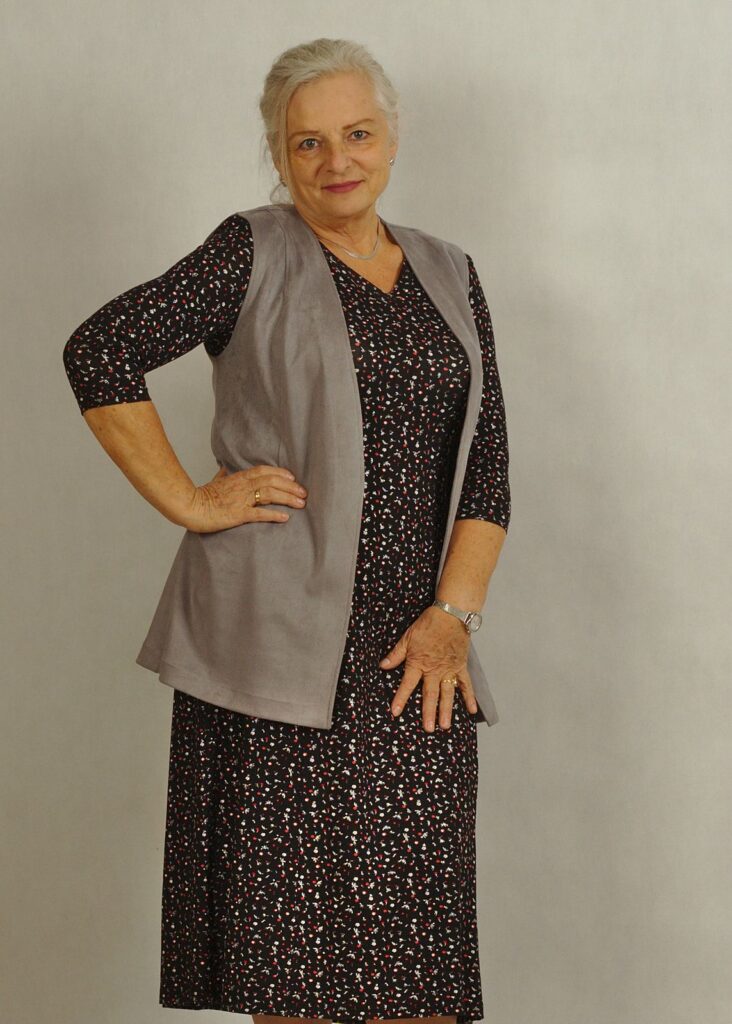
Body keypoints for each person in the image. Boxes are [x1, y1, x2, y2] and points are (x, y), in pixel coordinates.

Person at [62, 36, 511, 1024]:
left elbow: (487, 467)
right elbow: (102, 350)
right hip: (270, 656)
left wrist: (453, 618)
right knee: (295, 977)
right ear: (278, 152)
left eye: (357, 134)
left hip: (414, 653)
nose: (336, 160)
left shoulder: (450, 271)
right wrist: (190, 499)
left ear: (391, 136)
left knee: (419, 977)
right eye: (307, 142)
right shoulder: (250, 250)